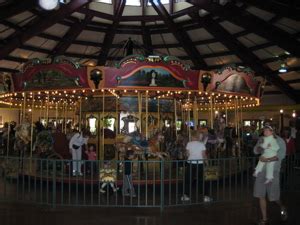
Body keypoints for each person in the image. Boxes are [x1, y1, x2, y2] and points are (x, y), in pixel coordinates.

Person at [253, 125, 287, 225]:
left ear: (273, 130)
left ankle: (282, 207)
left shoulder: (280, 141)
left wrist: (267, 159)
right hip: (261, 170)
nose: (265, 131)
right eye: (265, 129)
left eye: (268, 129)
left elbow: (280, 156)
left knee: (274, 197)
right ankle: (264, 218)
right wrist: (260, 147)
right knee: (260, 195)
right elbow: (255, 151)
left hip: (273, 171)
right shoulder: (262, 139)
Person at [181, 131, 207, 202]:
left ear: (192, 136)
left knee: (188, 180)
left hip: (191, 163)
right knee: (201, 180)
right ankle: (205, 196)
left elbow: (187, 154)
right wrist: (206, 162)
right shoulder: (202, 144)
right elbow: (204, 155)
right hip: (200, 163)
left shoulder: (189, 144)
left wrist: (186, 155)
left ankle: (186, 195)